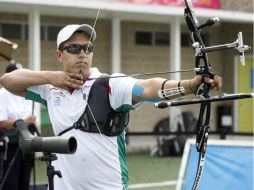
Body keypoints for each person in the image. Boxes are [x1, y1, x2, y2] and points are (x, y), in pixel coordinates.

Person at [0, 24, 222, 190]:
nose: (82, 54)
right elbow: (8, 80)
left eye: (87, 48)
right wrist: (53, 77)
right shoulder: (50, 89)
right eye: (74, 48)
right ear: (59, 55)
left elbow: (147, 88)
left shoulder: (109, 85)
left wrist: (190, 85)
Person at [0, 63, 38, 190]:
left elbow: (34, 120)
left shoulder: (26, 92)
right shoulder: (3, 94)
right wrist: (24, 121)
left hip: (28, 143)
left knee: (25, 181)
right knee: (10, 183)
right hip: (11, 144)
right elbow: (2, 122)